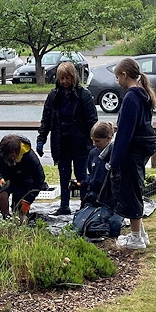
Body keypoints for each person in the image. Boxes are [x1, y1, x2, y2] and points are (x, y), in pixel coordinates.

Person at [98, 57, 156, 250]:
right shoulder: (144, 94)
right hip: (141, 150)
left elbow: (124, 133)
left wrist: (114, 160)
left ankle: (135, 238)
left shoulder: (131, 97)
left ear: (124, 75)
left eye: (117, 77)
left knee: (130, 192)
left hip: (131, 152)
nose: (117, 81)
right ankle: (141, 233)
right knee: (136, 189)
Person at [37, 61, 98, 215]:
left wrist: (95, 142)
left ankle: (85, 205)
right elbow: (46, 120)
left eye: (67, 78)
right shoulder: (53, 96)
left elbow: (92, 121)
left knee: (81, 175)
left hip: (80, 143)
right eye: (61, 78)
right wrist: (41, 139)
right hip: (61, 142)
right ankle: (64, 205)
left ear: (73, 78)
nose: (64, 82)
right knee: (64, 175)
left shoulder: (84, 95)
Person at [0, 134, 47, 223]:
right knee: (1, 193)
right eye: (9, 155)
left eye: (14, 154)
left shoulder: (29, 156)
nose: (12, 157)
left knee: (20, 217)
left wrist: (28, 200)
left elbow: (40, 178)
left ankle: (20, 215)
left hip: (23, 182)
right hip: (6, 179)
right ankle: (5, 217)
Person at [80, 121, 115, 206]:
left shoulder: (114, 154)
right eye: (93, 140)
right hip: (94, 194)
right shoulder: (92, 153)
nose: (94, 144)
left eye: (97, 141)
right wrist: (82, 183)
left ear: (108, 139)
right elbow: (92, 174)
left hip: (110, 196)